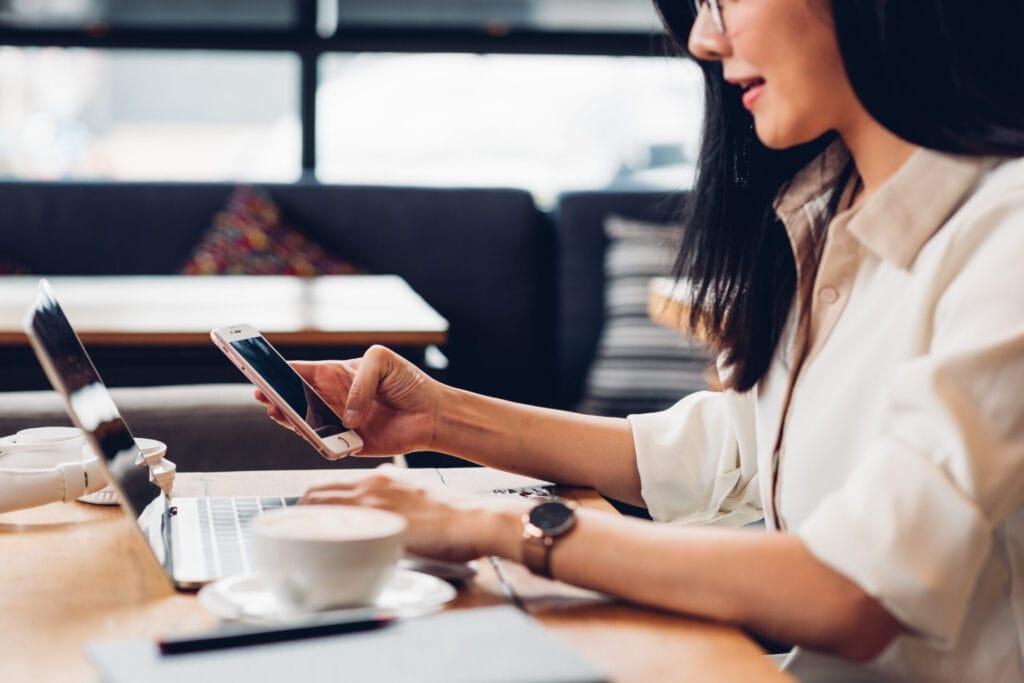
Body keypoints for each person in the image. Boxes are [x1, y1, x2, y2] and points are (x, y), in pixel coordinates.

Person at [257, 1, 1024, 679]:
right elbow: (731, 447)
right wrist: (439, 418)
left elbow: (855, 591)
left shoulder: (1005, 236)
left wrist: (492, 526)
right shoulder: (823, 209)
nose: (701, 39)